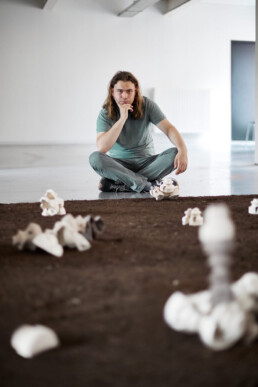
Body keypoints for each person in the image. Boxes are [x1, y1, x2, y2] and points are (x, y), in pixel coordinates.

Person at [89, 71, 188, 193]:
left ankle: (125, 183)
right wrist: (122, 119)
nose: (124, 96)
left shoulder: (147, 105)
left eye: (129, 91)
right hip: (120, 165)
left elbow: (168, 128)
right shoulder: (105, 113)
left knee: (175, 152)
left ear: (135, 91)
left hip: (147, 163)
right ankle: (149, 184)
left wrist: (183, 150)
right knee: (95, 158)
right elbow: (102, 147)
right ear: (112, 91)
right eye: (120, 91)